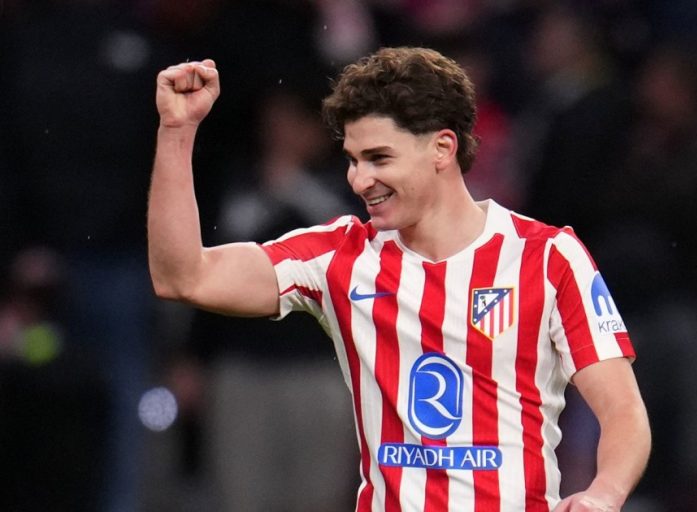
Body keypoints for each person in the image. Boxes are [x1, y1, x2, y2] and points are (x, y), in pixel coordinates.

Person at [148, 47, 651, 511]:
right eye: (353, 160)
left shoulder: (547, 257)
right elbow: (184, 277)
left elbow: (623, 412)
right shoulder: (339, 256)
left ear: (442, 148)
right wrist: (176, 131)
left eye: (379, 158)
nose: (359, 179)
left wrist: (604, 494)